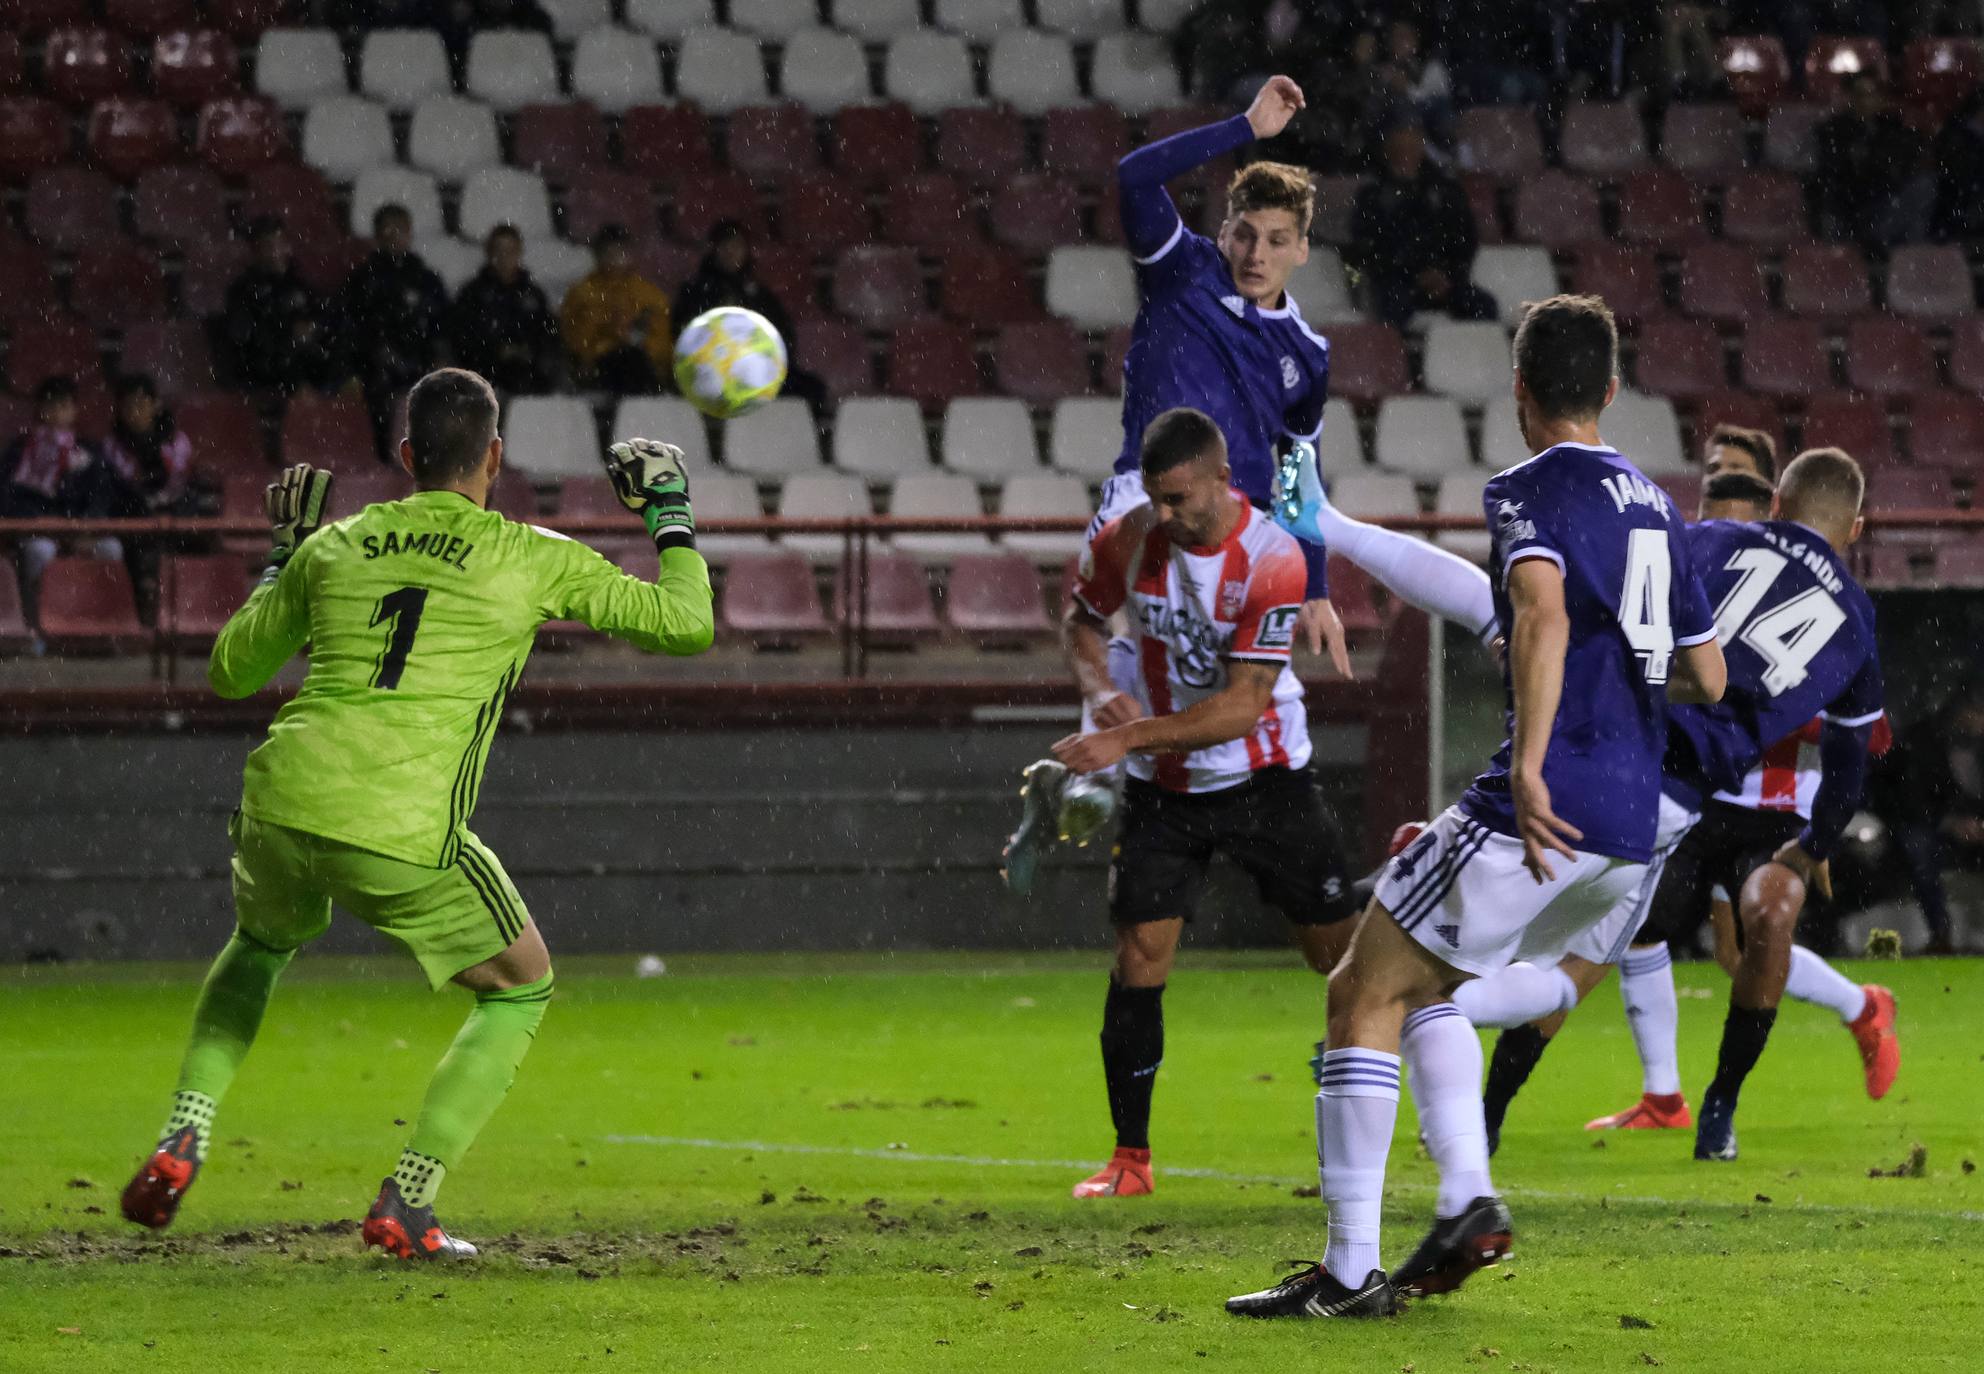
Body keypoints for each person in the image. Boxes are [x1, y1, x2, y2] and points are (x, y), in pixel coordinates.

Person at [119, 368, 715, 1258]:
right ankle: (410, 1199)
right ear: (496, 458)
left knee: (261, 945)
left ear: (406, 457)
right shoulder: (532, 553)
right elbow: (687, 623)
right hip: (400, 821)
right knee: (523, 984)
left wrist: (284, 550)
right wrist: (667, 508)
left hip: (283, 797)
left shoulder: (337, 545)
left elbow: (231, 671)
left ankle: (183, 1134)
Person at [1226, 294, 1725, 1320]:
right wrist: (1606, 671)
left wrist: (1538, 756)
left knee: (1358, 989)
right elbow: (1707, 677)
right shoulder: (1655, 504)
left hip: (1545, 804)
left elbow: (1537, 610)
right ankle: (1459, 1202)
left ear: (1519, 389)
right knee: (1427, 990)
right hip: (1635, 828)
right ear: (1614, 389)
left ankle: (1356, 1268)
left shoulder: (1525, 487)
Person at [1001, 76, 1352, 899]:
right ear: (1221, 231)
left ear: (1303, 248)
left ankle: (1091, 780)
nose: (1256, 253)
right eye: (1244, 233)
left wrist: (1320, 584)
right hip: (1146, 495)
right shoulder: (1181, 271)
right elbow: (1131, 177)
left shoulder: (1308, 353)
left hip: (1247, 528)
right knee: (1144, 612)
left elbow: (1299, 464)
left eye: (1276, 239)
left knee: (1251, 697)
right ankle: (1097, 774)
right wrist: (1244, 126)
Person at [1051, 407, 1357, 1200]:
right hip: (1166, 792)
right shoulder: (1128, 537)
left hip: (1267, 778)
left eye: (1181, 499)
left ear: (1224, 479)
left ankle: (1381, 1119)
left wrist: (1127, 737)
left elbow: (1240, 707)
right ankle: (1130, 1158)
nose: (1167, 515)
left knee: (1340, 959)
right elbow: (1080, 619)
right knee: (1138, 958)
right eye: (1156, 497)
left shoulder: (1273, 558)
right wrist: (1099, 688)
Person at [1346, 122, 1498, 330]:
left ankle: (1475, 359)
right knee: (1393, 309)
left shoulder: (1445, 190)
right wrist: (1413, 275)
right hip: (1397, 283)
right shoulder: (1372, 195)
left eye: (1412, 146)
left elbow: (1465, 240)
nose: (1405, 153)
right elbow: (1368, 248)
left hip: (1445, 281)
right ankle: (1397, 361)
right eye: (1399, 147)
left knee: (1484, 306)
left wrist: (1446, 276)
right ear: (1387, 151)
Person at [672, 220, 828, 417]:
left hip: (758, 372)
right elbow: (683, 335)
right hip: (712, 372)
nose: (732, 251)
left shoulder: (758, 293)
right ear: (714, 249)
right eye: (725, 245)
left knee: (812, 388)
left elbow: (783, 335)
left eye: (737, 245)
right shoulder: (695, 291)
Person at [0, 377, 121, 620]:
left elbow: (104, 493)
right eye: (50, 406)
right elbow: (7, 496)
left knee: (111, 548)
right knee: (40, 552)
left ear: (74, 410)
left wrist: (87, 527)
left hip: (82, 530)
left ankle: (103, 621)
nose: (57, 412)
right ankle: (40, 624)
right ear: (40, 411)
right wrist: (38, 523)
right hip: (38, 530)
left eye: (63, 405)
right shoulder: (20, 451)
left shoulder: (89, 450)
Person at [335, 204, 451, 456]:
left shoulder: (426, 279)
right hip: (376, 371)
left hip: (420, 366)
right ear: (376, 234)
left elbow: (441, 327)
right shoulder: (361, 280)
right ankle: (385, 461)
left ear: (409, 232)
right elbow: (349, 329)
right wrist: (358, 366)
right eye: (386, 228)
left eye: (399, 228)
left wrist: (439, 359)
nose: (393, 234)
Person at [94, 374, 202, 622]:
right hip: (133, 522)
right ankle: (138, 610)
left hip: (173, 517)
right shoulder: (111, 446)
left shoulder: (177, 440)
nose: (136, 411)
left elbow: (181, 481)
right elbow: (119, 488)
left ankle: (186, 611)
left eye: (142, 403)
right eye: (129, 405)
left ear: (155, 405)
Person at [1888, 685, 1984, 954]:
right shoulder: (1924, 741)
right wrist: (1950, 823)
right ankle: (1940, 932)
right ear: (1962, 711)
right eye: (1978, 712)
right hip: (1935, 830)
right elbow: (1910, 798)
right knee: (1917, 847)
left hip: (1975, 829)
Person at [1813, 73, 1935, 250]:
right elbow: (1836, 177)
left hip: (1887, 205)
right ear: (1850, 98)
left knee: (1924, 186)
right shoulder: (1834, 130)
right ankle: (1907, 256)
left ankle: (1909, 258)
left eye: (1871, 94)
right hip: (1853, 212)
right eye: (1860, 94)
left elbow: (1903, 164)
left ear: (1881, 99)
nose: (1865, 101)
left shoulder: (1892, 128)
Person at [223, 217, 337, 396]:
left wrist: (312, 328)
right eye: (268, 246)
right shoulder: (242, 291)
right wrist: (289, 335)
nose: (276, 252)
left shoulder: (299, 285)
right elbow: (247, 341)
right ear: (256, 251)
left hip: (304, 361)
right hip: (267, 369)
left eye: (281, 244)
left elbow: (322, 316)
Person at [449, 224, 561, 396]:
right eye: (498, 250)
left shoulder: (534, 295)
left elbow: (546, 334)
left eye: (510, 250)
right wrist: (497, 351)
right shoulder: (472, 293)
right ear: (489, 252)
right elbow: (462, 338)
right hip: (484, 372)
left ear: (519, 252)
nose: (504, 256)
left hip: (528, 373)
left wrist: (526, 351)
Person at [560, 225, 672, 395]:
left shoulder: (650, 294)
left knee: (634, 361)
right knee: (623, 361)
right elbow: (573, 339)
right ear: (598, 256)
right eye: (608, 252)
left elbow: (662, 341)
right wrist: (609, 336)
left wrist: (640, 344)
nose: (615, 258)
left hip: (642, 366)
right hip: (600, 365)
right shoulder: (582, 294)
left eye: (620, 252)